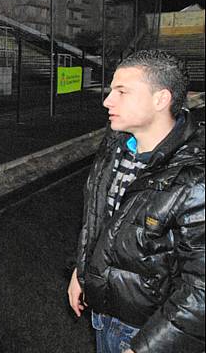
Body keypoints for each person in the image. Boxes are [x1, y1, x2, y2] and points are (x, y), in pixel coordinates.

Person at [67, 50, 204, 353]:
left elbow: (201, 288)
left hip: (148, 330)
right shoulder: (114, 145)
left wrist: (146, 347)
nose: (107, 101)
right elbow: (96, 218)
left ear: (160, 99)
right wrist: (82, 272)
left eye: (122, 91)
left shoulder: (195, 176)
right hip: (103, 312)